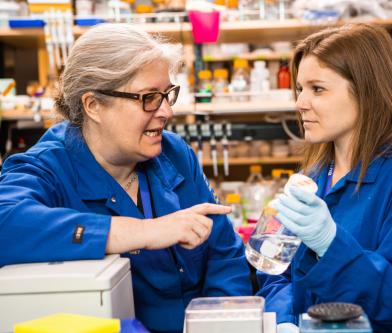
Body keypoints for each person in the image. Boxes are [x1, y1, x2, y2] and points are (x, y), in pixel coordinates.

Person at [0, 24, 252, 333]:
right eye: (148, 97)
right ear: (93, 106)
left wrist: (223, 321)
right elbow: (6, 224)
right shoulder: (48, 167)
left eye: (167, 95)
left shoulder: (173, 153)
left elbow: (225, 254)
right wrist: (141, 232)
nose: (166, 112)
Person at [257, 23, 392, 333]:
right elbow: (275, 272)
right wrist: (284, 320)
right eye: (300, 89)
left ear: (366, 92)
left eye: (317, 89)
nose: (300, 103)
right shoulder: (314, 175)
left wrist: (332, 245)